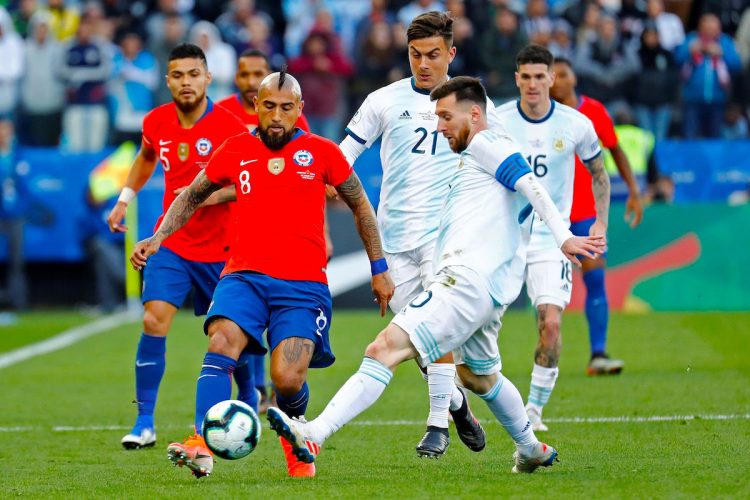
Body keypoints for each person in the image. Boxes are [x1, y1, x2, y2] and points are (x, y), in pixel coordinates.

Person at [265, 76, 605, 474]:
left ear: (474, 114)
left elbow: (531, 183)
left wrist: (563, 236)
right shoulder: (480, 152)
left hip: (464, 281)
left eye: (445, 116)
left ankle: (314, 433)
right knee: (480, 378)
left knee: (383, 349)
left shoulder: (485, 143)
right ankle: (530, 446)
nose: (439, 126)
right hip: (490, 287)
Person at [130, 71, 394, 479]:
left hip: (303, 285)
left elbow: (360, 205)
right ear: (256, 105)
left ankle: (298, 439)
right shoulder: (235, 149)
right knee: (221, 340)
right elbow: (193, 193)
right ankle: (201, 443)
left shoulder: (322, 152)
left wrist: (379, 268)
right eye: (268, 106)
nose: (276, 116)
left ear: (299, 110)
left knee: (286, 379)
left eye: (286, 108)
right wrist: (160, 235)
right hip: (244, 276)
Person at [340, 11, 492, 459]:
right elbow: (342, 157)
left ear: (451, 53)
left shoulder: (472, 101)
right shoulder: (383, 101)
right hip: (394, 240)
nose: (423, 64)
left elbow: (501, 159)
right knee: (421, 341)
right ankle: (459, 407)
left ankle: (435, 427)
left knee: (435, 332)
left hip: (448, 236)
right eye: (414, 55)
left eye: (432, 55)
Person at [107, 43, 248, 451]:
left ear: (207, 78)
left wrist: (202, 197)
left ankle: (250, 395)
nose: (186, 82)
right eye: (178, 75)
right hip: (171, 243)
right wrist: (124, 199)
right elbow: (147, 156)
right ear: (167, 80)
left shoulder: (229, 128)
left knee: (234, 336)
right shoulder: (155, 121)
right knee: (154, 320)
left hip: (223, 247)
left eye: (193, 74)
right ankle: (144, 421)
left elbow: (245, 185)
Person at [495, 45, 611, 432]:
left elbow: (599, 172)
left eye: (539, 76)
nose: (532, 84)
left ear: (552, 78)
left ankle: (533, 412)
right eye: (525, 77)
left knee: (551, 325)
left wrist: (599, 224)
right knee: (475, 324)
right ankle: (458, 401)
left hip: (552, 239)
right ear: (517, 79)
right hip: (502, 237)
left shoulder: (575, 123)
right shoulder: (497, 119)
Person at [216, 48, 312, 413]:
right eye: (245, 73)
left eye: (259, 71)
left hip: (288, 251)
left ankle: (274, 393)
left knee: (283, 360)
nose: (251, 78)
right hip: (234, 240)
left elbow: (313, 185)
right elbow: (219, 178)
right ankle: (250, 392)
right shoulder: (225, 116)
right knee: (231, 326)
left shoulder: (295, 129)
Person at [550, 56, 644, 376]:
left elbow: (615, 149)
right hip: (547, 215)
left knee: (595, 277)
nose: (558, 80)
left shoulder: (593, 111)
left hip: (585, 213)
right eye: (553, 75)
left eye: (563, 73)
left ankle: (598, 353)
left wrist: (633, 190)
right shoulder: (539, 116)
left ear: (574, 77)